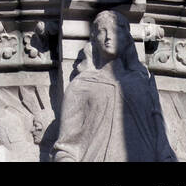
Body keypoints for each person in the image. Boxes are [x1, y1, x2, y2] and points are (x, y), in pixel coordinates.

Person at [53, 10, 177, 162]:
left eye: (116, 31)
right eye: (102, 32)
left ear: (127, 38)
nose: (108, 37)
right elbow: (66, 147)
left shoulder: (144, 84)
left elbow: (161, 138)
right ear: (93, 39)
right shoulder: (80, 86)